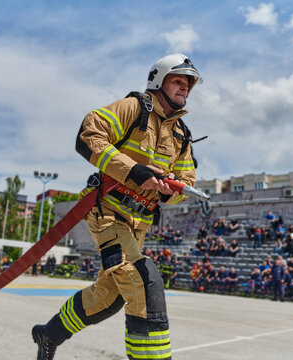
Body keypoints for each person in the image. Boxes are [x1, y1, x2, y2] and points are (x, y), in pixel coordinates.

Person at [32, 54, 200, 360]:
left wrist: (168, 190)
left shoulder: (182, 135)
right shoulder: (134, 108)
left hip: (140, 224)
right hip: (109, 213)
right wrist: (134, 171)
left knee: (109, 297)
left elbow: (187, 179)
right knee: (142, 280)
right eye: (178, 80)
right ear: (158, 81)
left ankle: (48, 334)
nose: (184, 88)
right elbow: (89, 134)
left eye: (188, 83)